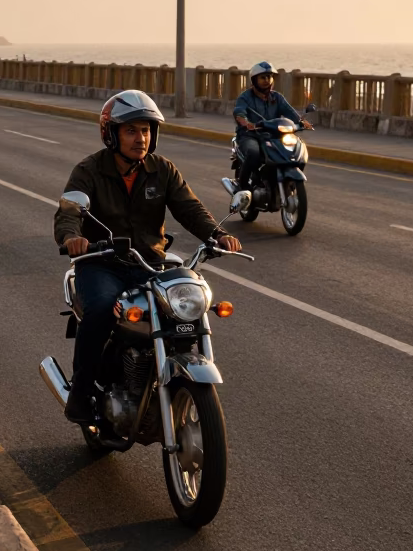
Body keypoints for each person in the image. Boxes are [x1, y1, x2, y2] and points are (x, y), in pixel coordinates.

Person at [54, 90, 241, 424]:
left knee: (185, 311)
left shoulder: (162, 170)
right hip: (102, 263)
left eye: (146, 130)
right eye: (131, 130)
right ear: (111, 133)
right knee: (100, 309)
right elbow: (69, 210)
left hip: (150, 264)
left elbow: (189, 208)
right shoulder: (89, 170)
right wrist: (73, 238)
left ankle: (162, 378)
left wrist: (217, 234)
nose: (140, 138)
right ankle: (80, 393)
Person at [233, 62, 314, 190]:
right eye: (263, 77)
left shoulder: (277, 97)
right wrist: (246, 123)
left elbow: (290, 112)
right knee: (254, 153)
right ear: (254, 80)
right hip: (250, 135)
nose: (266, 80)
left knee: (297, 149)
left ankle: (286, 182)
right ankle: (242, 187)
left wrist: (301, 122)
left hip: (273, 136)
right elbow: (239, 112)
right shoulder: (245, 97)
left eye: (269, 77)